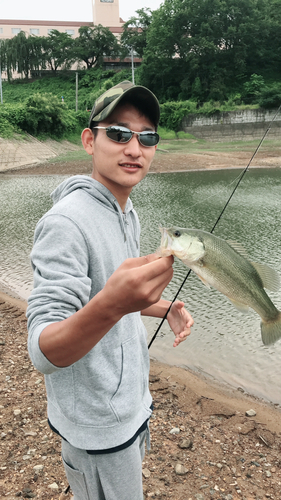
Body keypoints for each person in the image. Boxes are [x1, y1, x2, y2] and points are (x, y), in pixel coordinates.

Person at [27, 81, 194, 500]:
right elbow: (44, 351)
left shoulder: (127, 210)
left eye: (147, 137)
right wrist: (116, 303)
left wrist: (161, 306)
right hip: (98, 427)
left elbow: (107, 296)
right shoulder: (64, 224)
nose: (134, 149)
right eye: (119, 133)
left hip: (132, 407)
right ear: (90, 140)